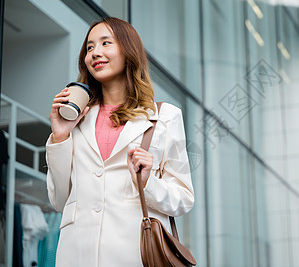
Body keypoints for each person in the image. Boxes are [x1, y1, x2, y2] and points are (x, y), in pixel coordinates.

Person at [45, 17, 194, 266]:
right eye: (89, 47)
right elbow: (60, 200)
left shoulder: (165, 117)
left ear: (128, 51)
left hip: (134, 254)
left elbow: (184, 198)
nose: (96, 53)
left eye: (106, 43)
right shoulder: (77, 118)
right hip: (77, 254)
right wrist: (60, 136)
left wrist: (148, 183)